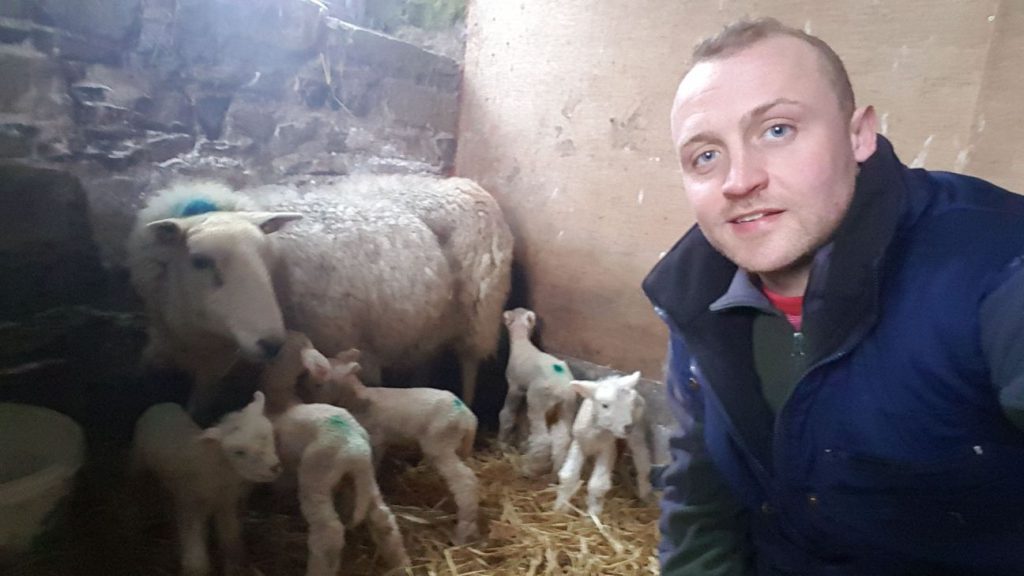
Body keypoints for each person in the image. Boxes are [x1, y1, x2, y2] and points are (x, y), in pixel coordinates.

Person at [642, 17, 1024, 576]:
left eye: (777, 130)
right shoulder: (698, 296)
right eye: (705, 156)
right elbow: (702, 501)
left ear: (858, 135)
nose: (739, 180)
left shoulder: (994, 264)